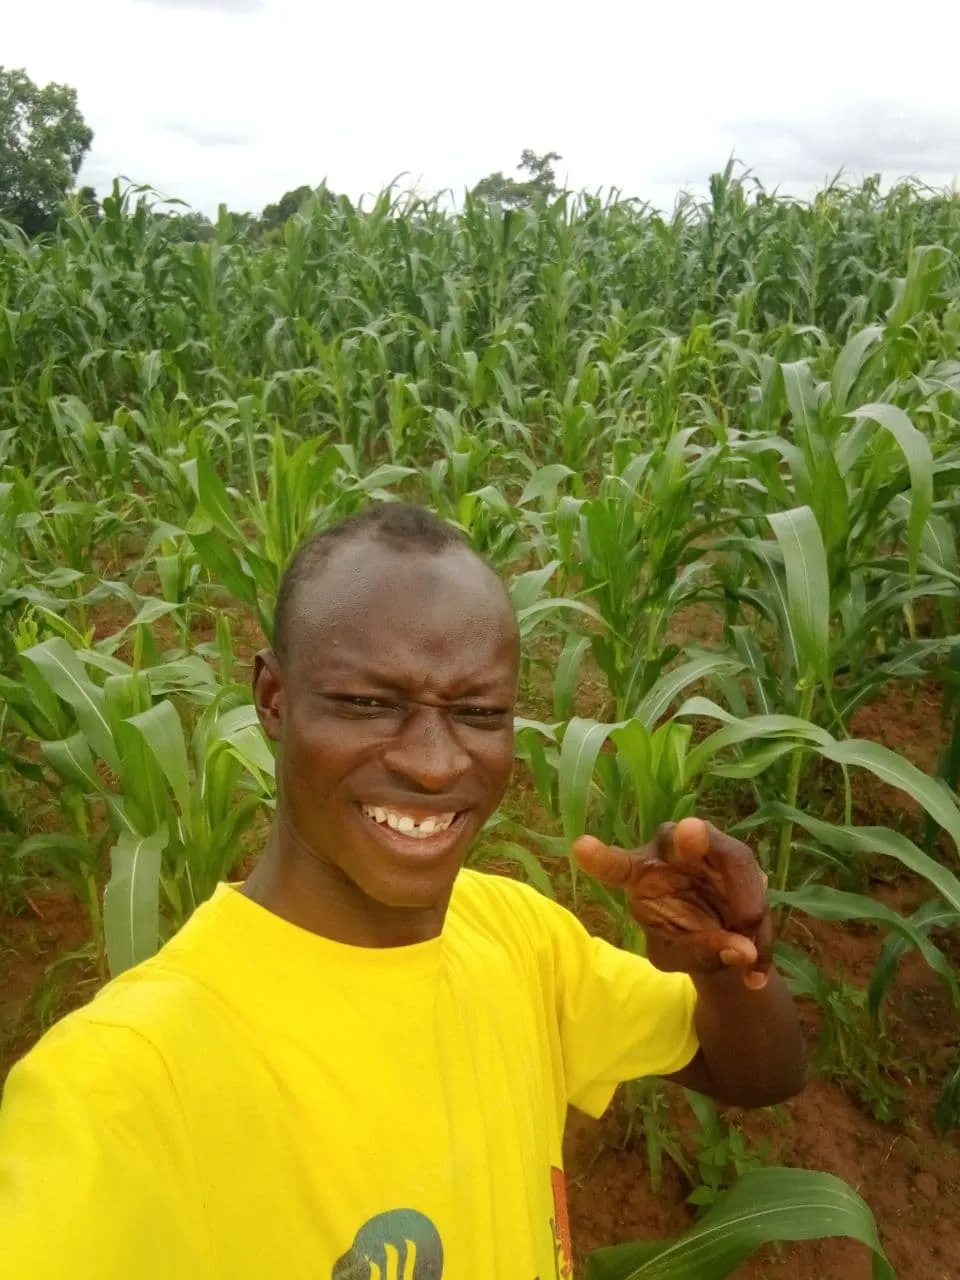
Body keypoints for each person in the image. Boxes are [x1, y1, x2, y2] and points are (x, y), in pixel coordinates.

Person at [0, 502, 805, 1279]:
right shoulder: (121, 1085)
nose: (433, 761)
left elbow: (755, 1074)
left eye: (479, 712)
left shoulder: (519, 937)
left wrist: (732, 963)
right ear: (273, 700)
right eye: (368, 703)